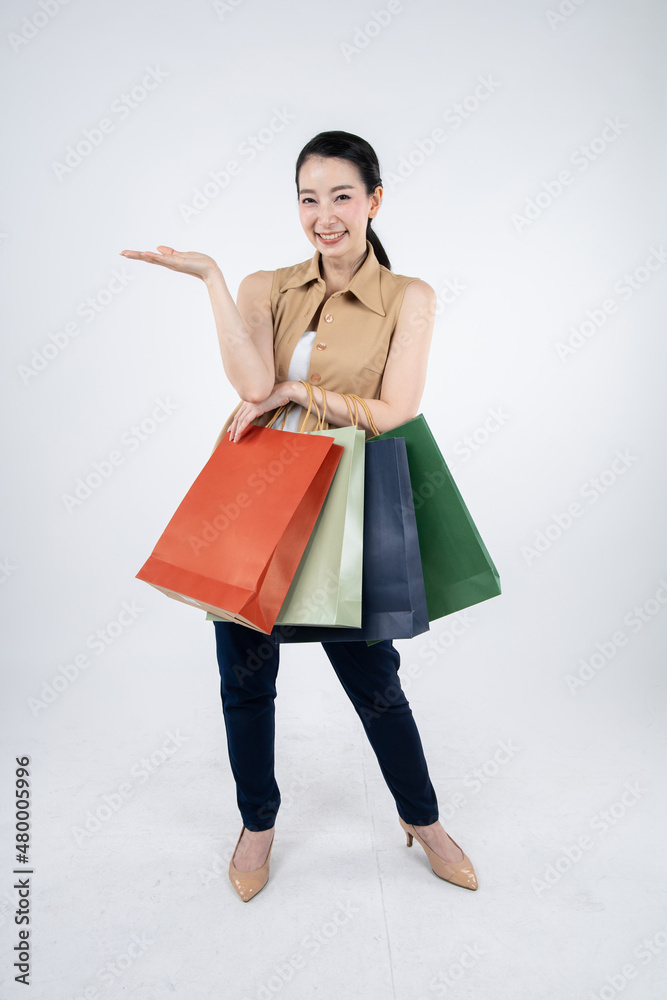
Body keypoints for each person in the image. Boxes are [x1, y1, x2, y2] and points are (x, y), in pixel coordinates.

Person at [120, 130, 478, 901]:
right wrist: (211, 278)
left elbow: (394, 410)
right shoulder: (264, 285)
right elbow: (251, 381)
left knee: (373, 676)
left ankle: (423, 819)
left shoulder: (407, 297)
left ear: (374, 200)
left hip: (347, 492)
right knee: (243, 673)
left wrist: (296, 393)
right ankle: (257, 825)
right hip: (256, 488)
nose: (324, 215)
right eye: (308, 198)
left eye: (341, 196)